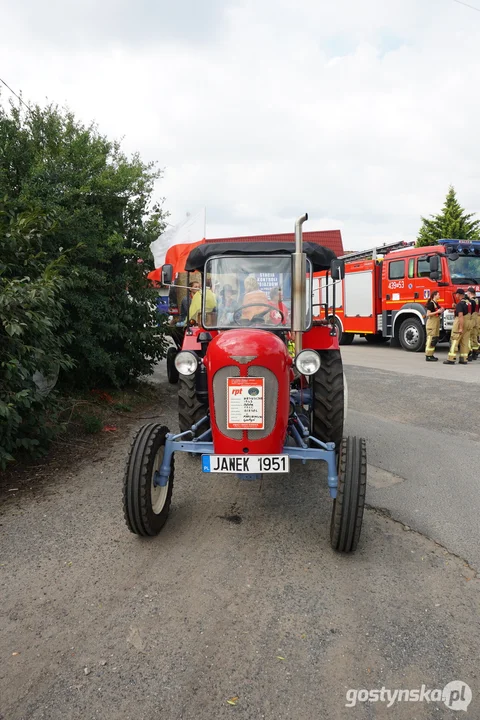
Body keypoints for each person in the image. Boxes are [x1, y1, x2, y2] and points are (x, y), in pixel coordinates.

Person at [443, 288, 469, 365]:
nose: (456, 295)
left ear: (459, 295)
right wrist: (455, 309)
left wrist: (460, 327)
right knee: (464, 342)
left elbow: (460, 316)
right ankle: (463, 359)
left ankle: (451, 359)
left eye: (457, 294)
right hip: (468, 323)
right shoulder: (468, 302)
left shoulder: (460, 304)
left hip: (460, 322)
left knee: (454, 339)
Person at [424, 290, 444, 362]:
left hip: (436, 323)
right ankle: (428, 356)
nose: (439, 296)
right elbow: (428, 314)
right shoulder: (431, 304)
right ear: (434, 295)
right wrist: (437, 312)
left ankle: (431, 354)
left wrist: (441, 310)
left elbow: (438, 311)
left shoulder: (436, 303)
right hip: (432, 323)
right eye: (438, 295)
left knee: (434, 339)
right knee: (430, 339)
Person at [466, 287, 479, 360]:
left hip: (471, 319)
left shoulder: (471, 301)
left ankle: (469, 352)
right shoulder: (477, 300)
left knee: (469, 336)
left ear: (470, 293)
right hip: (476, 320)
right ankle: (475, 353)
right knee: (475, 336)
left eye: (467, 293)